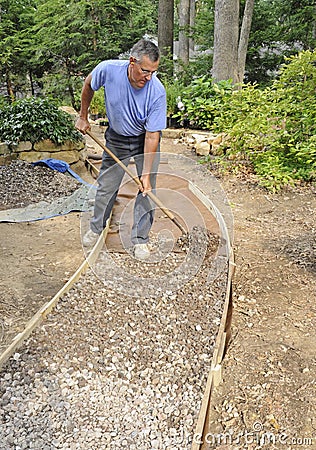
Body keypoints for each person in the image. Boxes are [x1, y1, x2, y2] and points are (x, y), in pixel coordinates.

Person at [75, 39, 167, 260]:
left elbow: (153, 135)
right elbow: (88, 84)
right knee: (107, 186)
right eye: (145, 71)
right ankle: (96, 229)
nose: (148, 77)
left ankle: (140, 240)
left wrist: (145, 175)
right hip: (116, 138)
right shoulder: (108, 70)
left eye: (153, 72)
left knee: (146, 189)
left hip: (144, 138)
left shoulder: (157, 91)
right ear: (132, 62)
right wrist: (83, 116)